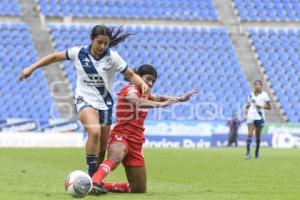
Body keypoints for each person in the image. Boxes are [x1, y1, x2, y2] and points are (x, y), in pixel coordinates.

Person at [18, 25, 150, 178]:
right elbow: (54, 57)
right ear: (92, 39)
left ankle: (95, 180)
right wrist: (31, 68)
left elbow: (130, 74)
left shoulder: (113, 57)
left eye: (105, 43)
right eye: (99, 42)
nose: (102, 46)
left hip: (105, 104)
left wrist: (141, 83)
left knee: (101, 149)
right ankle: (90, 177)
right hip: (84, 101)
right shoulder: (78, 52)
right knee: (94, 132)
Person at [90, 64, 198, 194]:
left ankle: (103, 186)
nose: (151, 83)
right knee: (115, 157)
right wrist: (160, 105)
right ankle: (93, 182)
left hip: (136, 142)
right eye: (148, 79)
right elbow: (136, 101)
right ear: (137, 77)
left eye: (153, 81)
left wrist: (180, 99)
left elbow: (159, 97)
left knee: (139, 189)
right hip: (121, 135)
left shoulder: (145, 93)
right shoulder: (130, 89)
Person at [244, 80, 271, 159]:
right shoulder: (250, 95)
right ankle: (248, 152)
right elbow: (248, 105)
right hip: (251, 116)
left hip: (260, 117)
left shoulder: (264, 95)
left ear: (261, 86)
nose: (257, 86)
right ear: (254, 86)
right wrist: (245, 113)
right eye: (256, 84)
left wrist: (261, 106)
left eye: (259, 84)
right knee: (249, 134)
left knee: (258, 136)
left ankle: (257, 152)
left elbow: (269, 107)